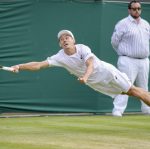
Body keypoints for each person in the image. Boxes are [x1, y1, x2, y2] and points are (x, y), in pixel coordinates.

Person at [11, 29, 150, 110]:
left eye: (67, 37)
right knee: (132, 92)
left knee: (134, 91)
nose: (64, 40)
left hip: (107, 73)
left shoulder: (83, 48)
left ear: (73, 40)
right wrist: (19, 66)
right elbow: (39, 65)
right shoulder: (59, 57)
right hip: (96, 83)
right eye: (61, 39)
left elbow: (90, 64)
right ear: (60, 44)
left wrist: (85, 77)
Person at [111, 0, 150, 116]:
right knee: (124, 85)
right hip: (127, 60)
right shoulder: (122, 24)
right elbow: (114, 42)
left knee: (144, 86)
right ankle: (118, 111)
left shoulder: (146, 24)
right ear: (129, 10)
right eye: (134, 9)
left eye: (138, 8)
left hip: (144, 60)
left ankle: (147, 109)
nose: (136, 11)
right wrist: (123, 54)